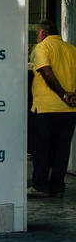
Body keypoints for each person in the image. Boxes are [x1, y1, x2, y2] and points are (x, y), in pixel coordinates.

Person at [29, 20, 76, 198]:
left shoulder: (42, 48)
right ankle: (57, 187)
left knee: (41, 148)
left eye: (37, 34)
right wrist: (72, 96)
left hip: (45, 108)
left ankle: (40, 185)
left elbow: (47, 72)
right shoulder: (72, 49)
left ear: (42, 34)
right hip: (69, 111)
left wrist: (63, 94)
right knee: (62, 150)